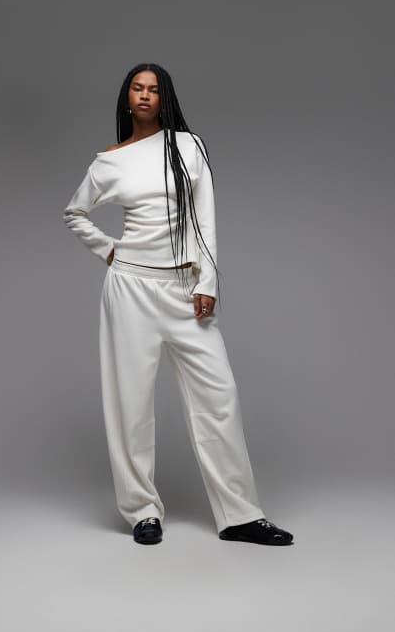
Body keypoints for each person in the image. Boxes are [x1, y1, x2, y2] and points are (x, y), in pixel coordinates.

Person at [63, 62, 294, 547]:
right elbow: (75, 212)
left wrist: (208, 281)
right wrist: (109, 250)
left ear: (164, 97)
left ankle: (240, 515)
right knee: (130, 404)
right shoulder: (109, 162)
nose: (145, 95)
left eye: (153, 89)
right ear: (127, 98)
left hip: (184, 288)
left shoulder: (189, 146)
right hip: (130, 288)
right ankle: (142, 511)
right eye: (137, 88)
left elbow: (205, 220)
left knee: (219, 397)